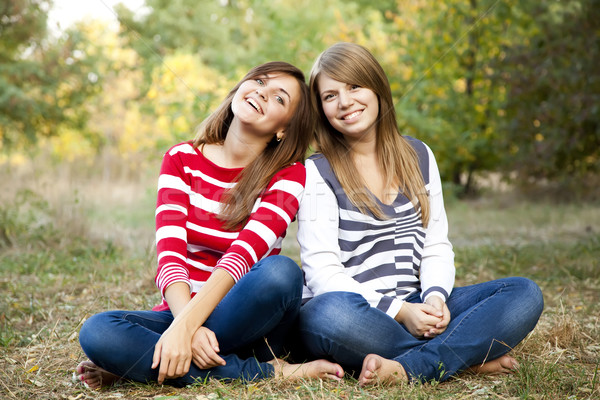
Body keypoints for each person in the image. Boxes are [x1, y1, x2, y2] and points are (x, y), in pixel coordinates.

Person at [75, 61, 344, 389]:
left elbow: (241, 258)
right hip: (179, 309)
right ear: (239, 88)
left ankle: (138, 363)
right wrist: (187, 324)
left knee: (281, 273)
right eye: (259, 80)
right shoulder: (181, 159)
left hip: (251, 322)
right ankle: (269, 372)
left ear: (284, 129)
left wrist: (185, 328)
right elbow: (170, 259)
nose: (262, 92)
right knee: (98, 331)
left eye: (279, 98)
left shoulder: (289, 174)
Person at [295, 42, 544, 386]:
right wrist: (401, 312)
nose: (345, 102)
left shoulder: (419, 155)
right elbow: (322, 274)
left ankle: (412, 365)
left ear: (377, 86)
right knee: (326, 316)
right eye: (330, 96)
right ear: (321, 109)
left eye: (354, 86)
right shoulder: (316, 172)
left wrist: (435, 298)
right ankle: (458, 359)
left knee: (524, 293)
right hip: (362, 313)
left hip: (419, 300)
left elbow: (436, 244)